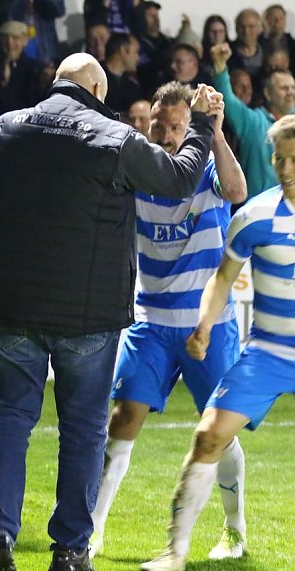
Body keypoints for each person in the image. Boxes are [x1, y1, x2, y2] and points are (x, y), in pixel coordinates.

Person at [0, 53, 218, 571]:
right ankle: (69, 549)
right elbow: (177, 180)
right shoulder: (114, 137)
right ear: (96, 87)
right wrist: (199, 125)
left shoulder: (9, 128)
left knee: (10, 419)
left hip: (11, 301)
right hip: (86, 313)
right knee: (83, 429)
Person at [88, 81, 247, 561]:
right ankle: (92, 531)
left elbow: (237, 191)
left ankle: (234, 530)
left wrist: (214, 132)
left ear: (190, 126)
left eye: (178, 126)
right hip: (151, 321)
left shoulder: (207, 170)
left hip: (208, 323)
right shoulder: (138, 173)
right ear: (146, 123)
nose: (167, 134)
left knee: (221, 432)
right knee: (122, 420)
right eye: (158, 125)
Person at [141, 114, 295, 571]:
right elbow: (222, 281)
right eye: (279, 159)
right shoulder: (253, 217)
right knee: (208, 435)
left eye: (294, 159)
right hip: (268, 353)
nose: (285, 168)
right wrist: (205, 325)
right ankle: (176, 552)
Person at [210, 42, 295, 199]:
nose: (290, 92)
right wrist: (220, 66)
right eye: (284, 88)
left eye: (292, 87)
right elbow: (228, 100)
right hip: (259, 213)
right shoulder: (252, 122)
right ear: (268, 94)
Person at [102, 32, 142, 115]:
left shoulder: (132, 86)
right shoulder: (94, 77)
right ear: (123, 50)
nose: (138, 58)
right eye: (136, 52)